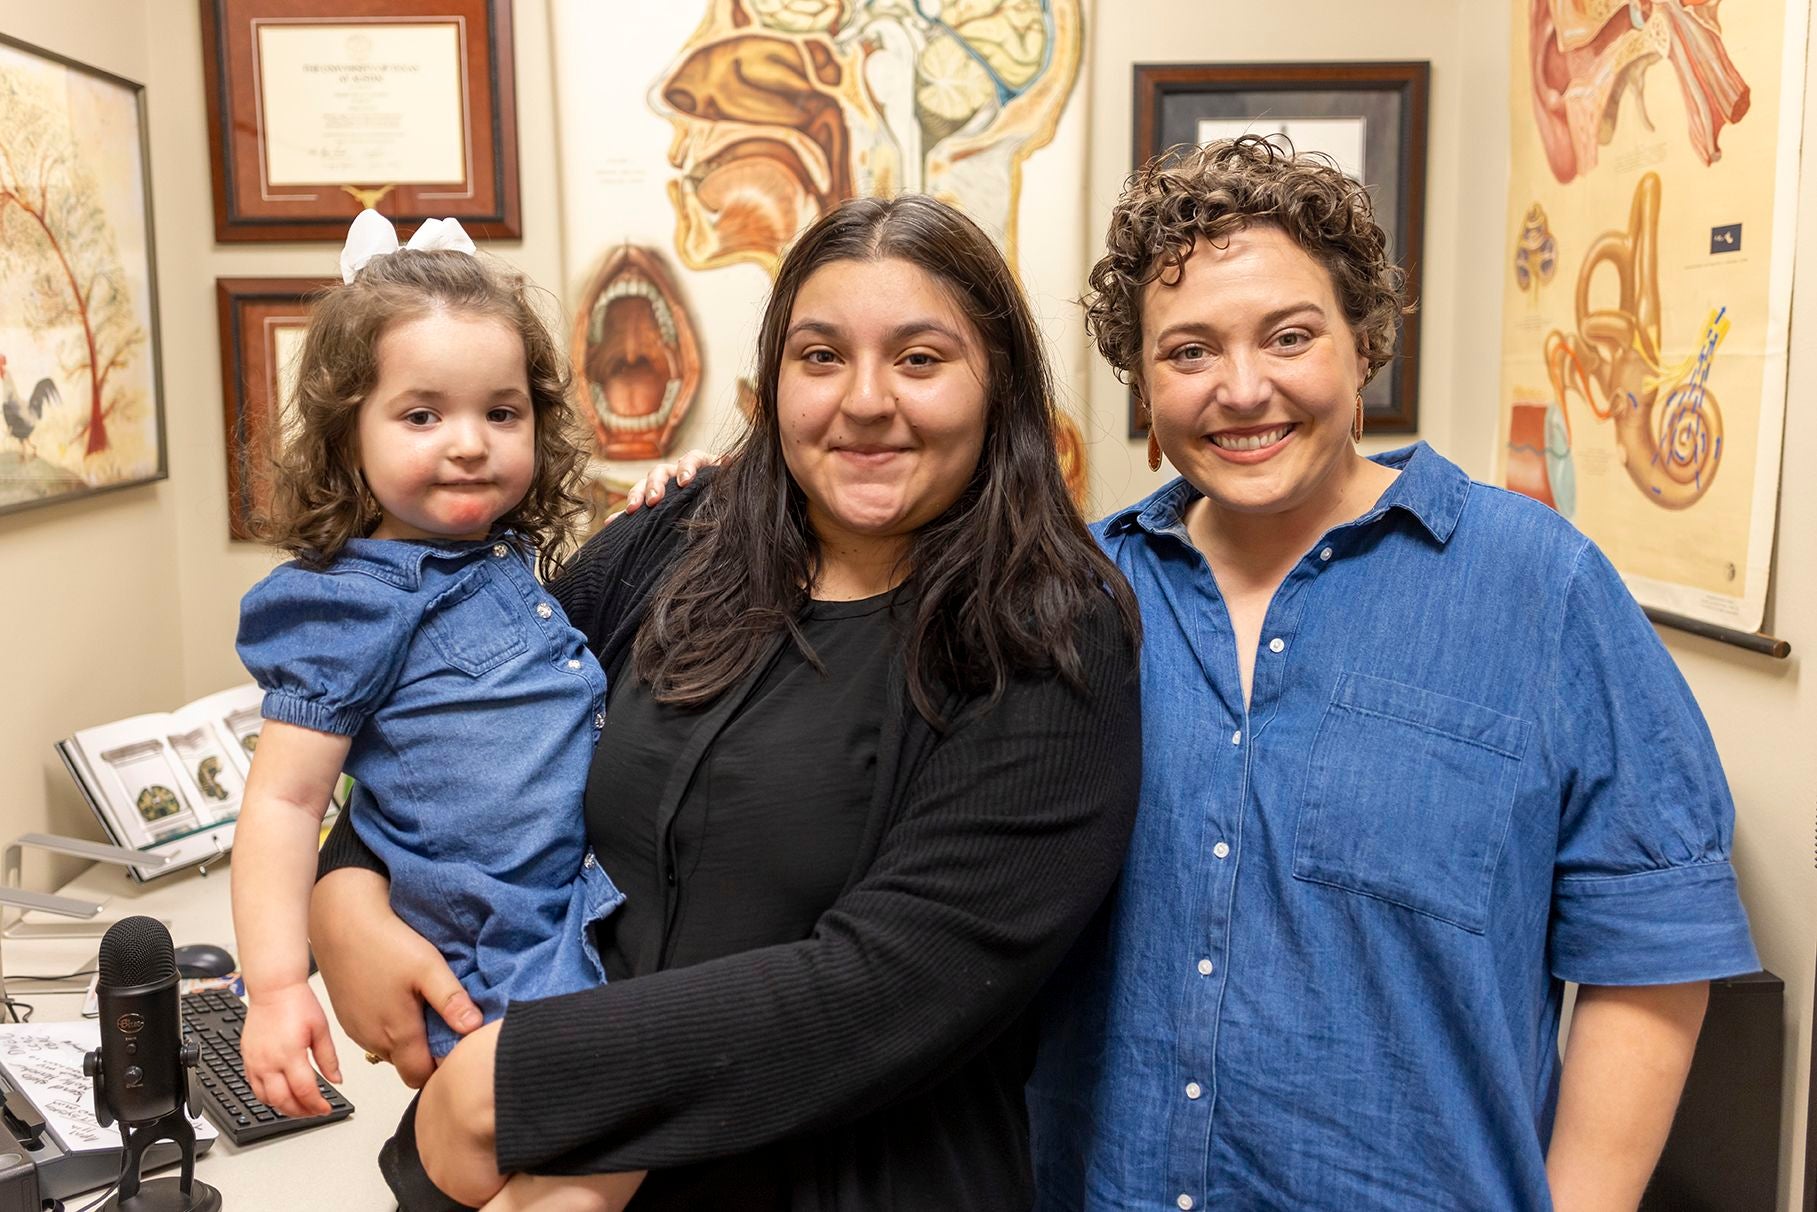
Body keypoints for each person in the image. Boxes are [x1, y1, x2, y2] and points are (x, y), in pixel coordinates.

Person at [308, 193, 1145, 1210]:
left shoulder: (1051, 635)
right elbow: (467, 735)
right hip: (535, 1166)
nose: (865, 400)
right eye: (821, 356)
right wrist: (344, 888)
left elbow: (892, 984)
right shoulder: (670, 542)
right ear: (774, 378)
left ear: (997, 384)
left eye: (920, 359)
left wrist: (521, 1076)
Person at [1023, 137, 1758, 1210]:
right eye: (1187, 351)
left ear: (1362, 343)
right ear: (1141, 381)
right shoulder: (1073, 594)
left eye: (1288, 336)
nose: (1241, 389)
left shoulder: (1537, 587)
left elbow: (1648, 946)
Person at [232, 210, 640, 1211]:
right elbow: (284, 804)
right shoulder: (347, 601)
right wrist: (280, 989)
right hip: (492, 960)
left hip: (570, 927)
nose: (470, 445)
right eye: (422, 417)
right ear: (347, 431)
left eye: (501, 414)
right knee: (620, 1146)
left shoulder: (498, 564)